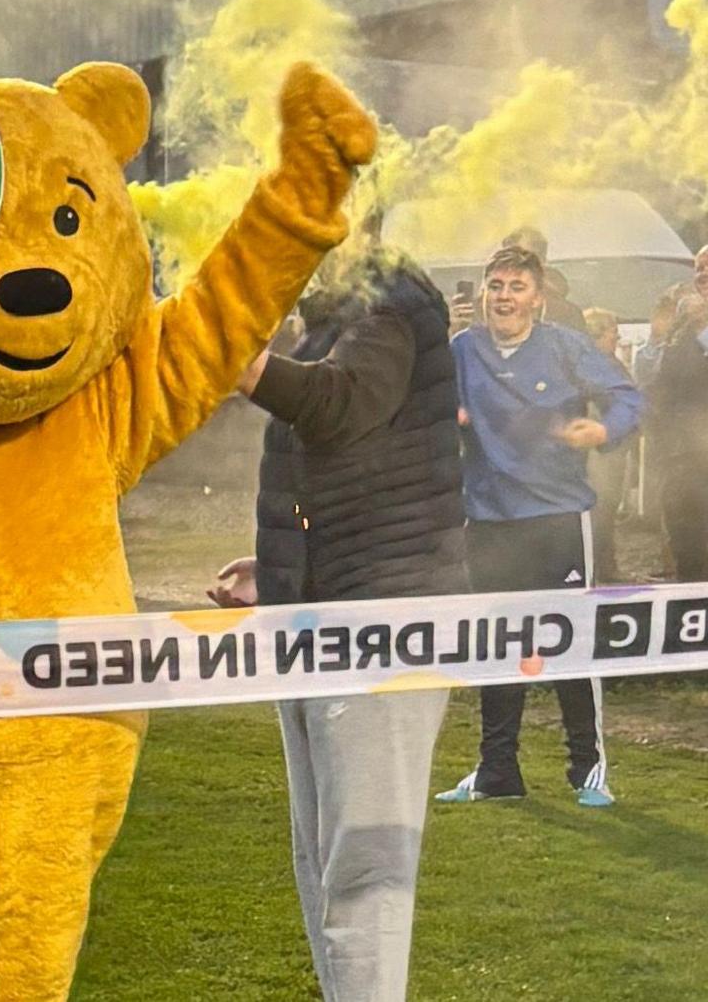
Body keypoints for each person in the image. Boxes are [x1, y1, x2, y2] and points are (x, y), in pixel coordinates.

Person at [209, 251, 465, 1002]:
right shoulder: (337, 318)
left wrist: (239, 360)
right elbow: (346, 462)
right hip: (322, 622)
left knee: (364, 867)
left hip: (384, 625)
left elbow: (340, 403)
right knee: (325, 856)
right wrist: (281, 568)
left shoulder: (387, 304)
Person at [437, 245, 641, 808]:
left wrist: (603, 432)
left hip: (557, 518)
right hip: (488, 520)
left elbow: (627, 397)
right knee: (499, 648)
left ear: (538, 299)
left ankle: (588, 771)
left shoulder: (564, 346)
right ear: (484, 295)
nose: (504, 296)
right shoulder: (463, 349)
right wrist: (449, 417)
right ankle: (496, 770)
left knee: (570, 644)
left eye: (516, 287)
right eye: (496, 286)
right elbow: (430, 404)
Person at [650, 288, 708, 581]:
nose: (702, 274)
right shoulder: (681, 334)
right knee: (689, 541)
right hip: (685, 458)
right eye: (698, 268)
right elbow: (663, 388)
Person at [581, 308, 632, 583]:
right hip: (600, 453)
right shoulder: (596, 366)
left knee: (606, 511)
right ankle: (602, 570)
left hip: (611, 450)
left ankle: (605, 566)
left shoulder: (607, 362)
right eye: (613, 331)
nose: (617, 336)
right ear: (598, 334)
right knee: (600, 511)